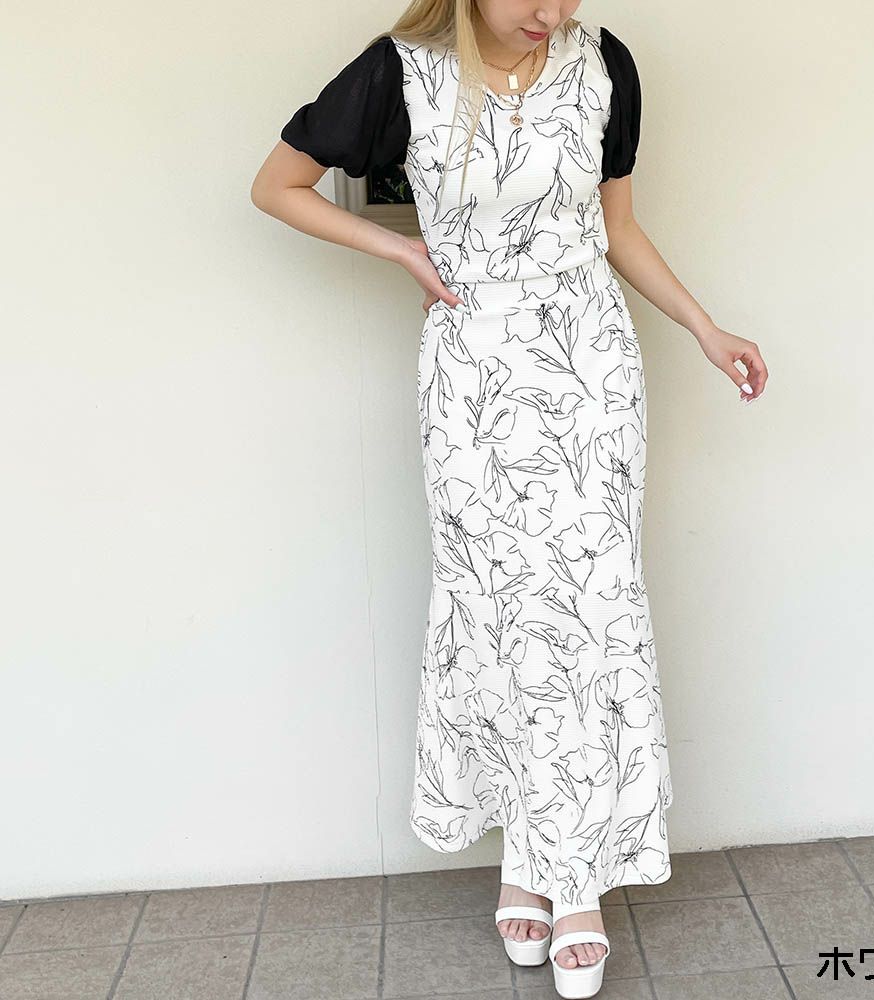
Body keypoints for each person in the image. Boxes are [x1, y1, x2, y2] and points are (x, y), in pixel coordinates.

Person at [252, 1, 768, 995]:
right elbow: (276, 185)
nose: (553, 12)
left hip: (592, 372)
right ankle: (531, 850)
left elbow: (617, 227)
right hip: (474, 375)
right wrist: (404, 252)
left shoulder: (603, 62)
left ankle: (565, 878)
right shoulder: (397, 72)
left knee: (587, 613)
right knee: (497, 610)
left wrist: (705, 329)